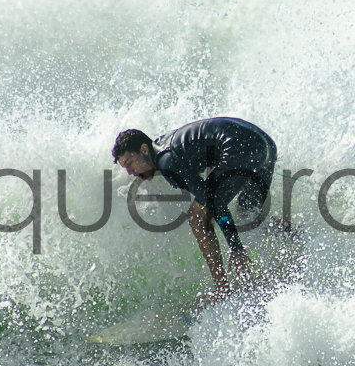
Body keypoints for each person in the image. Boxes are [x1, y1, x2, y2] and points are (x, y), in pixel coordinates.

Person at [112, 117, 277, 296]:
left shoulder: (167, 162)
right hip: (265, 145)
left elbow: (213, 200)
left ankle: (222, 289)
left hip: (239, 150)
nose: (130, 172)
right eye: (125, 168)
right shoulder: (164, 147)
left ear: (144, 150)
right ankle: (293, 236)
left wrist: (236, 249)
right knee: (247, 214)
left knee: (198, 217)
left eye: (130, 163)